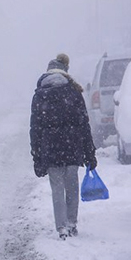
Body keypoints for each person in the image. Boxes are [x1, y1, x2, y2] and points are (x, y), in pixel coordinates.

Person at [30, 53, 97, 240]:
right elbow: (83, 124)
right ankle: (72, 223)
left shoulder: (40, 95)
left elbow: (35, 128)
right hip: (72, 146)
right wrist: (89, 152)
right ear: (65, 72)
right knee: (72, 186)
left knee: (57, 189)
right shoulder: (74, 92)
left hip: (50, 148)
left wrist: (37, 156)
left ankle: (61, 227)